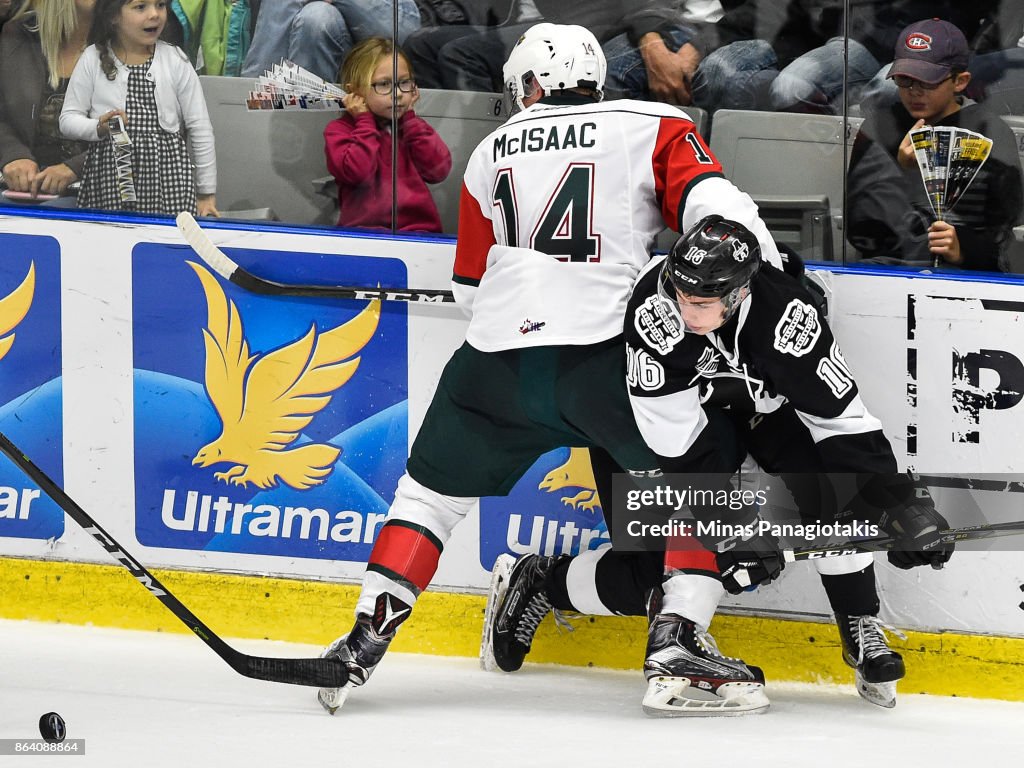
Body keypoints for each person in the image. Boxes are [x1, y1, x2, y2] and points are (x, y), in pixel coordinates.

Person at [315, 21, 784, 715]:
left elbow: (470, 285)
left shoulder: (492, 147)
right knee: (702, 471)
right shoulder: (652, 119)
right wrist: (767, 285)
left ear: (530, 86)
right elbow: (714, 212)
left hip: (492, 361)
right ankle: (678, 641)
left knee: (427, 498)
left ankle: (361, 641)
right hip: (605, 361)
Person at [483, 216, 956, 714]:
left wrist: (898, 502)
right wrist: (727, 534)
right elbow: (676, 445)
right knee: (651, 576)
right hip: (647, 427)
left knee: (835, 491)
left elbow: (843, 423)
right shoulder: (656, 313)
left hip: (757, 413)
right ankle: (538, 580)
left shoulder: (788, 320)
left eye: (702, 303)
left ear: (738, 294)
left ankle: (858, 622)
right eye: (679, 296)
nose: (683, 310)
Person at [847, 18, 1023, 270]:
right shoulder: (878, 127)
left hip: (968, 279)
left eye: (927, 82)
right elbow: (861, 230)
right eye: (904, 80)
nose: (914, 91)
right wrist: (904, 174)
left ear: (960, 81)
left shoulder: (992, 132)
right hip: (889, 270)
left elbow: (1004, 228)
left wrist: (964, 248)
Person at [59, 0, 218, 216]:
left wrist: (206, 193)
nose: (154, 14)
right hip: (109, 180)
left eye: (160, 5)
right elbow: (68, 119)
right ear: (113, 16)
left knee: (164, 243)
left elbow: (200, 128)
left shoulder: (176, 60)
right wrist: (97, 127)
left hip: (168, 181)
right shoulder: (92, 58)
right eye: (140, 7)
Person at [323, 37, 451, 233]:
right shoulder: (339, 131)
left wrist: (410, 119)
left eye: (404, 82)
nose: (398, 93)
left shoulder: (412, 128)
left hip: (419, 233)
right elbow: (357, 173)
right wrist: (364, 121)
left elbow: (438, 170)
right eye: (383, 84)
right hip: (362, 235)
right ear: (354, 92)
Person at [0, 0, 93, 205]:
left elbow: (140, 131)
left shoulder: (129, 44)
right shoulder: (16, 35)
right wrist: (13, 155)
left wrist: (76, 167)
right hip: (18, 186)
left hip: (93, 188)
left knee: (59, 213)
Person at [240, 0, 421, 83]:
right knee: (316, 18)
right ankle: (303, 115)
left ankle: (253, 90)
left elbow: (406, 34)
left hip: (399, 16)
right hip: (335, 32)